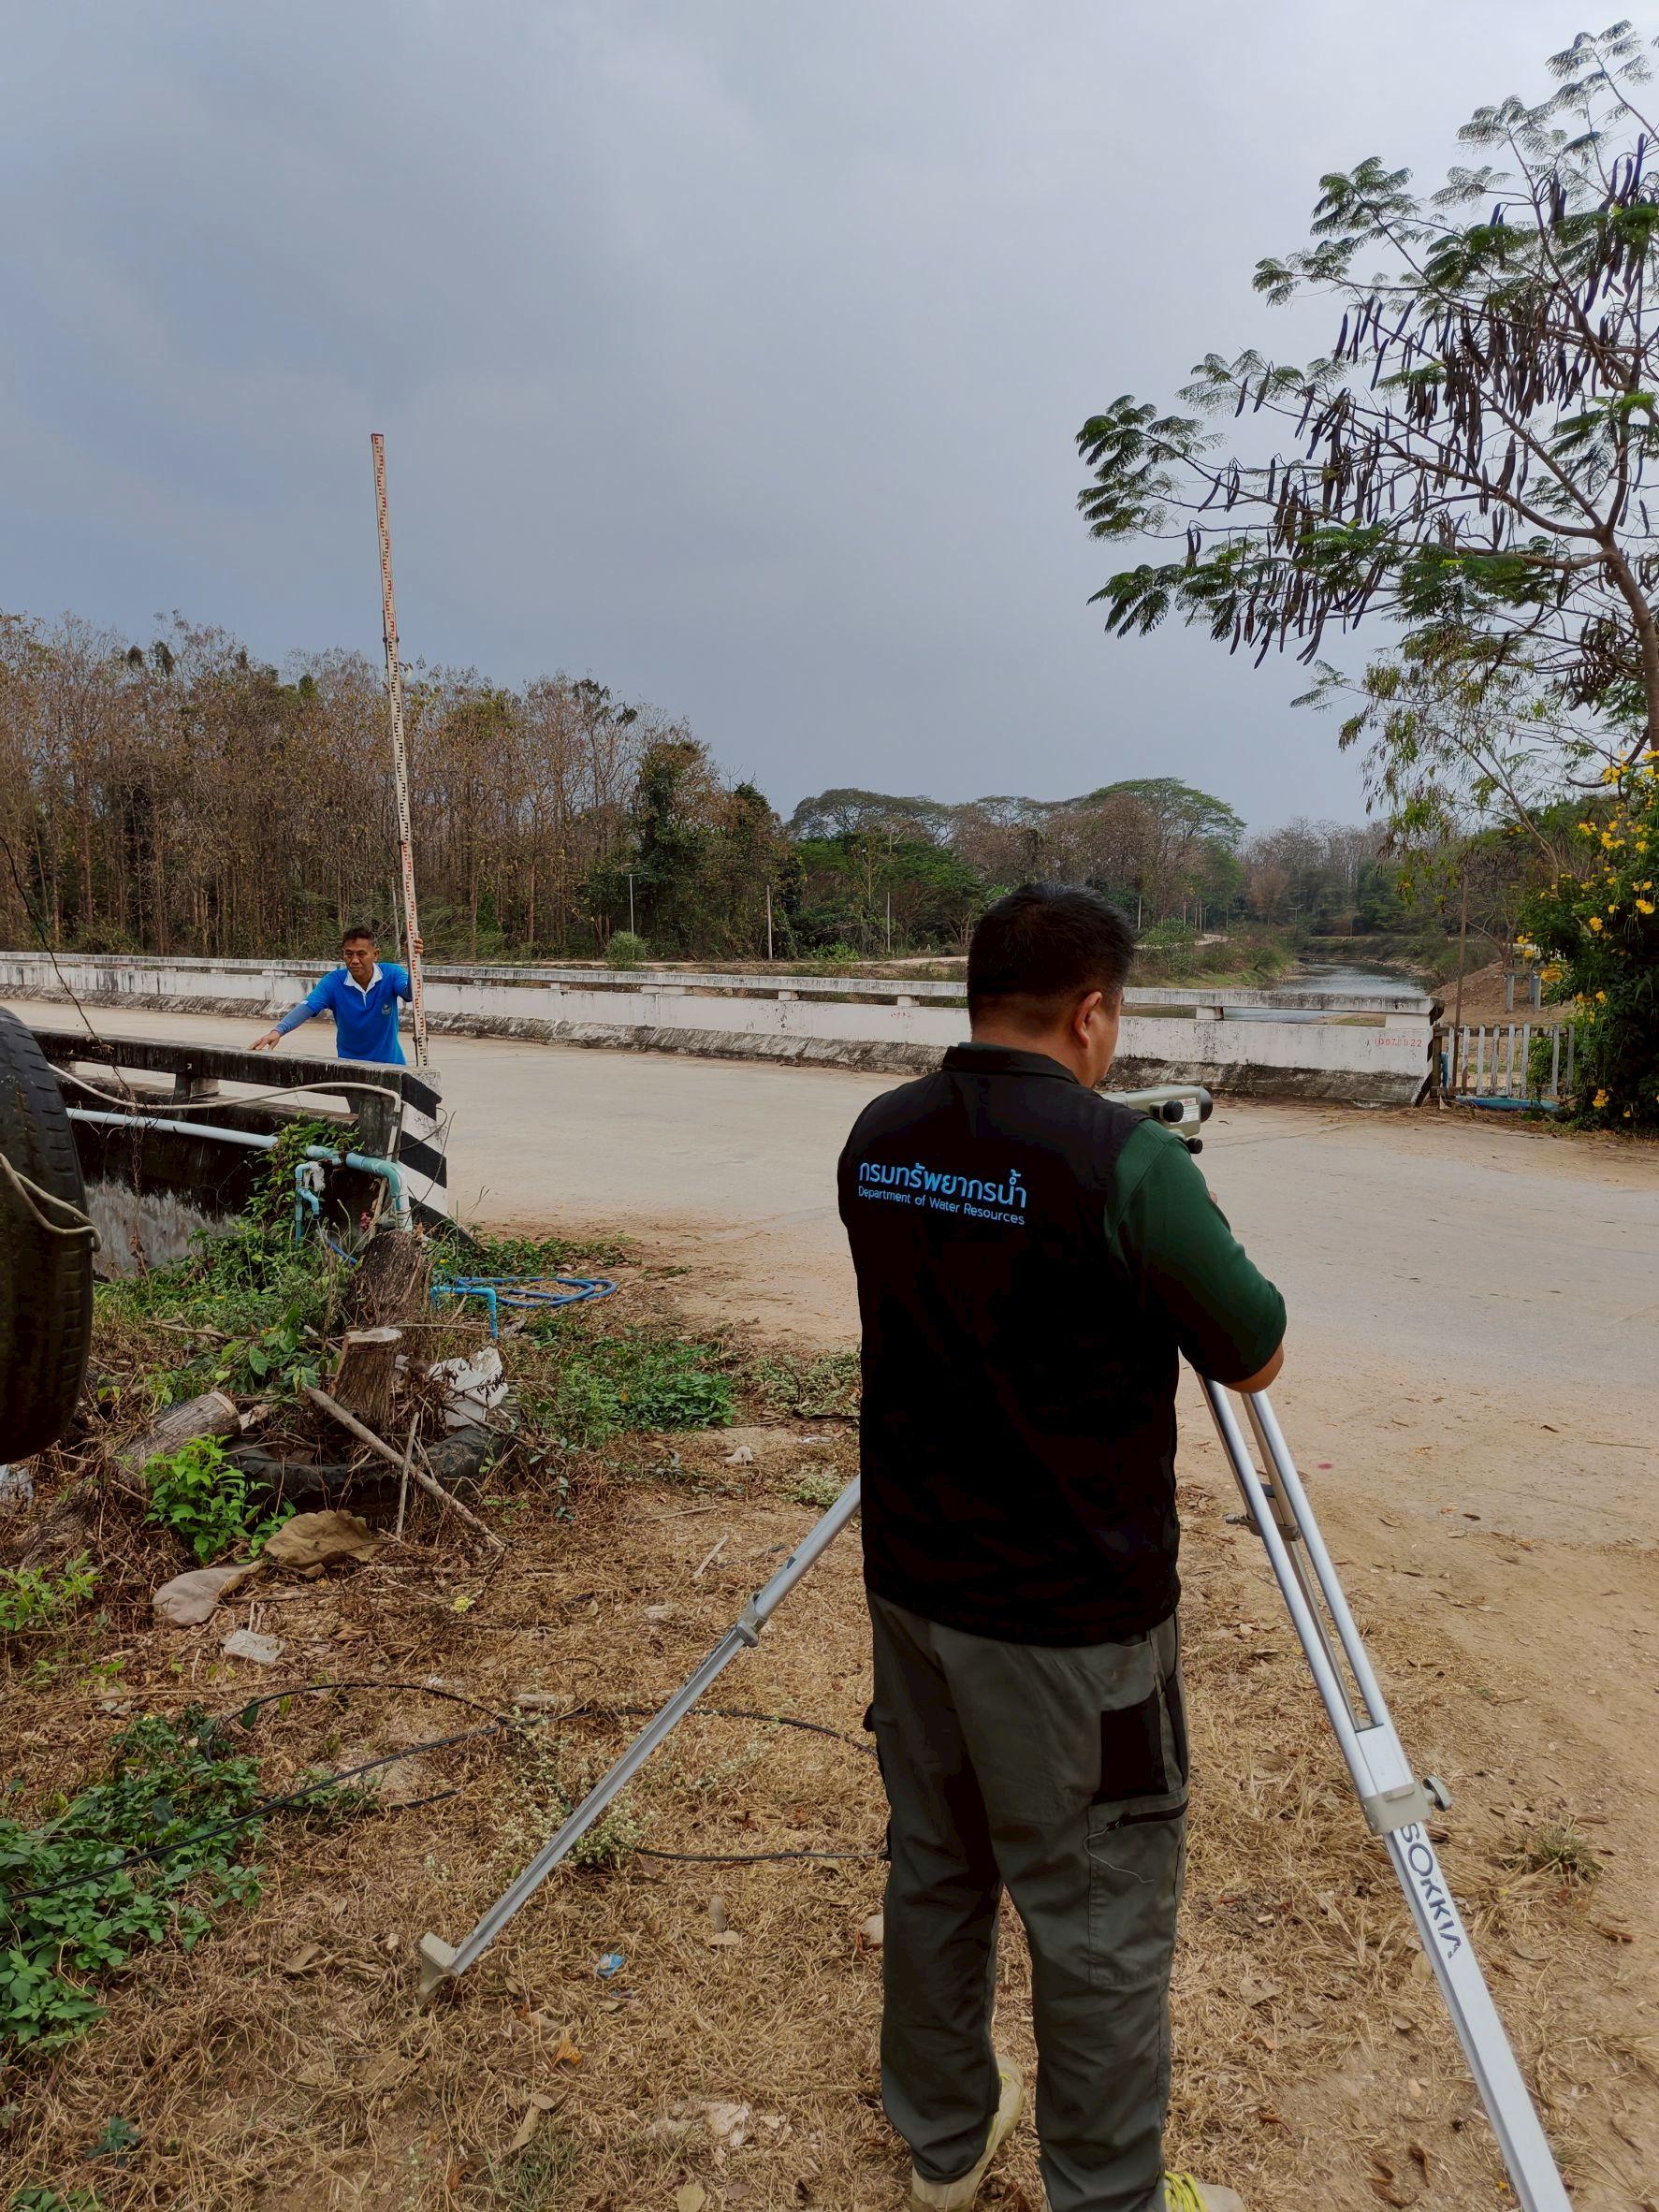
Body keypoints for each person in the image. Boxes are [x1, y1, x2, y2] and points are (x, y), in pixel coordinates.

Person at [837, 883, 1285, 2212]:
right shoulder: (1126, 1163)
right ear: (1093, 1014)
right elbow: (1254, 1348)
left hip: (915, 1594)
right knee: (1097, 1927)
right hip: (1074, 1637)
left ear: (980, 995)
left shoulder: (879, 1136)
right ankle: (1106, 2195)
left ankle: (942, 2143)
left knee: (936, 1869)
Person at [251, 925, 421, 1066]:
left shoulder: (392, 973)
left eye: (361, 954)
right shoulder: (334, 982)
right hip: (351, 1068)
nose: (354, 960)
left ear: (375, 954)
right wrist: (278, 1031)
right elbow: (307, 1006)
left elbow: (411, 994)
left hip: (392, 1066)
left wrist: (412, 961)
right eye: (349, 954)